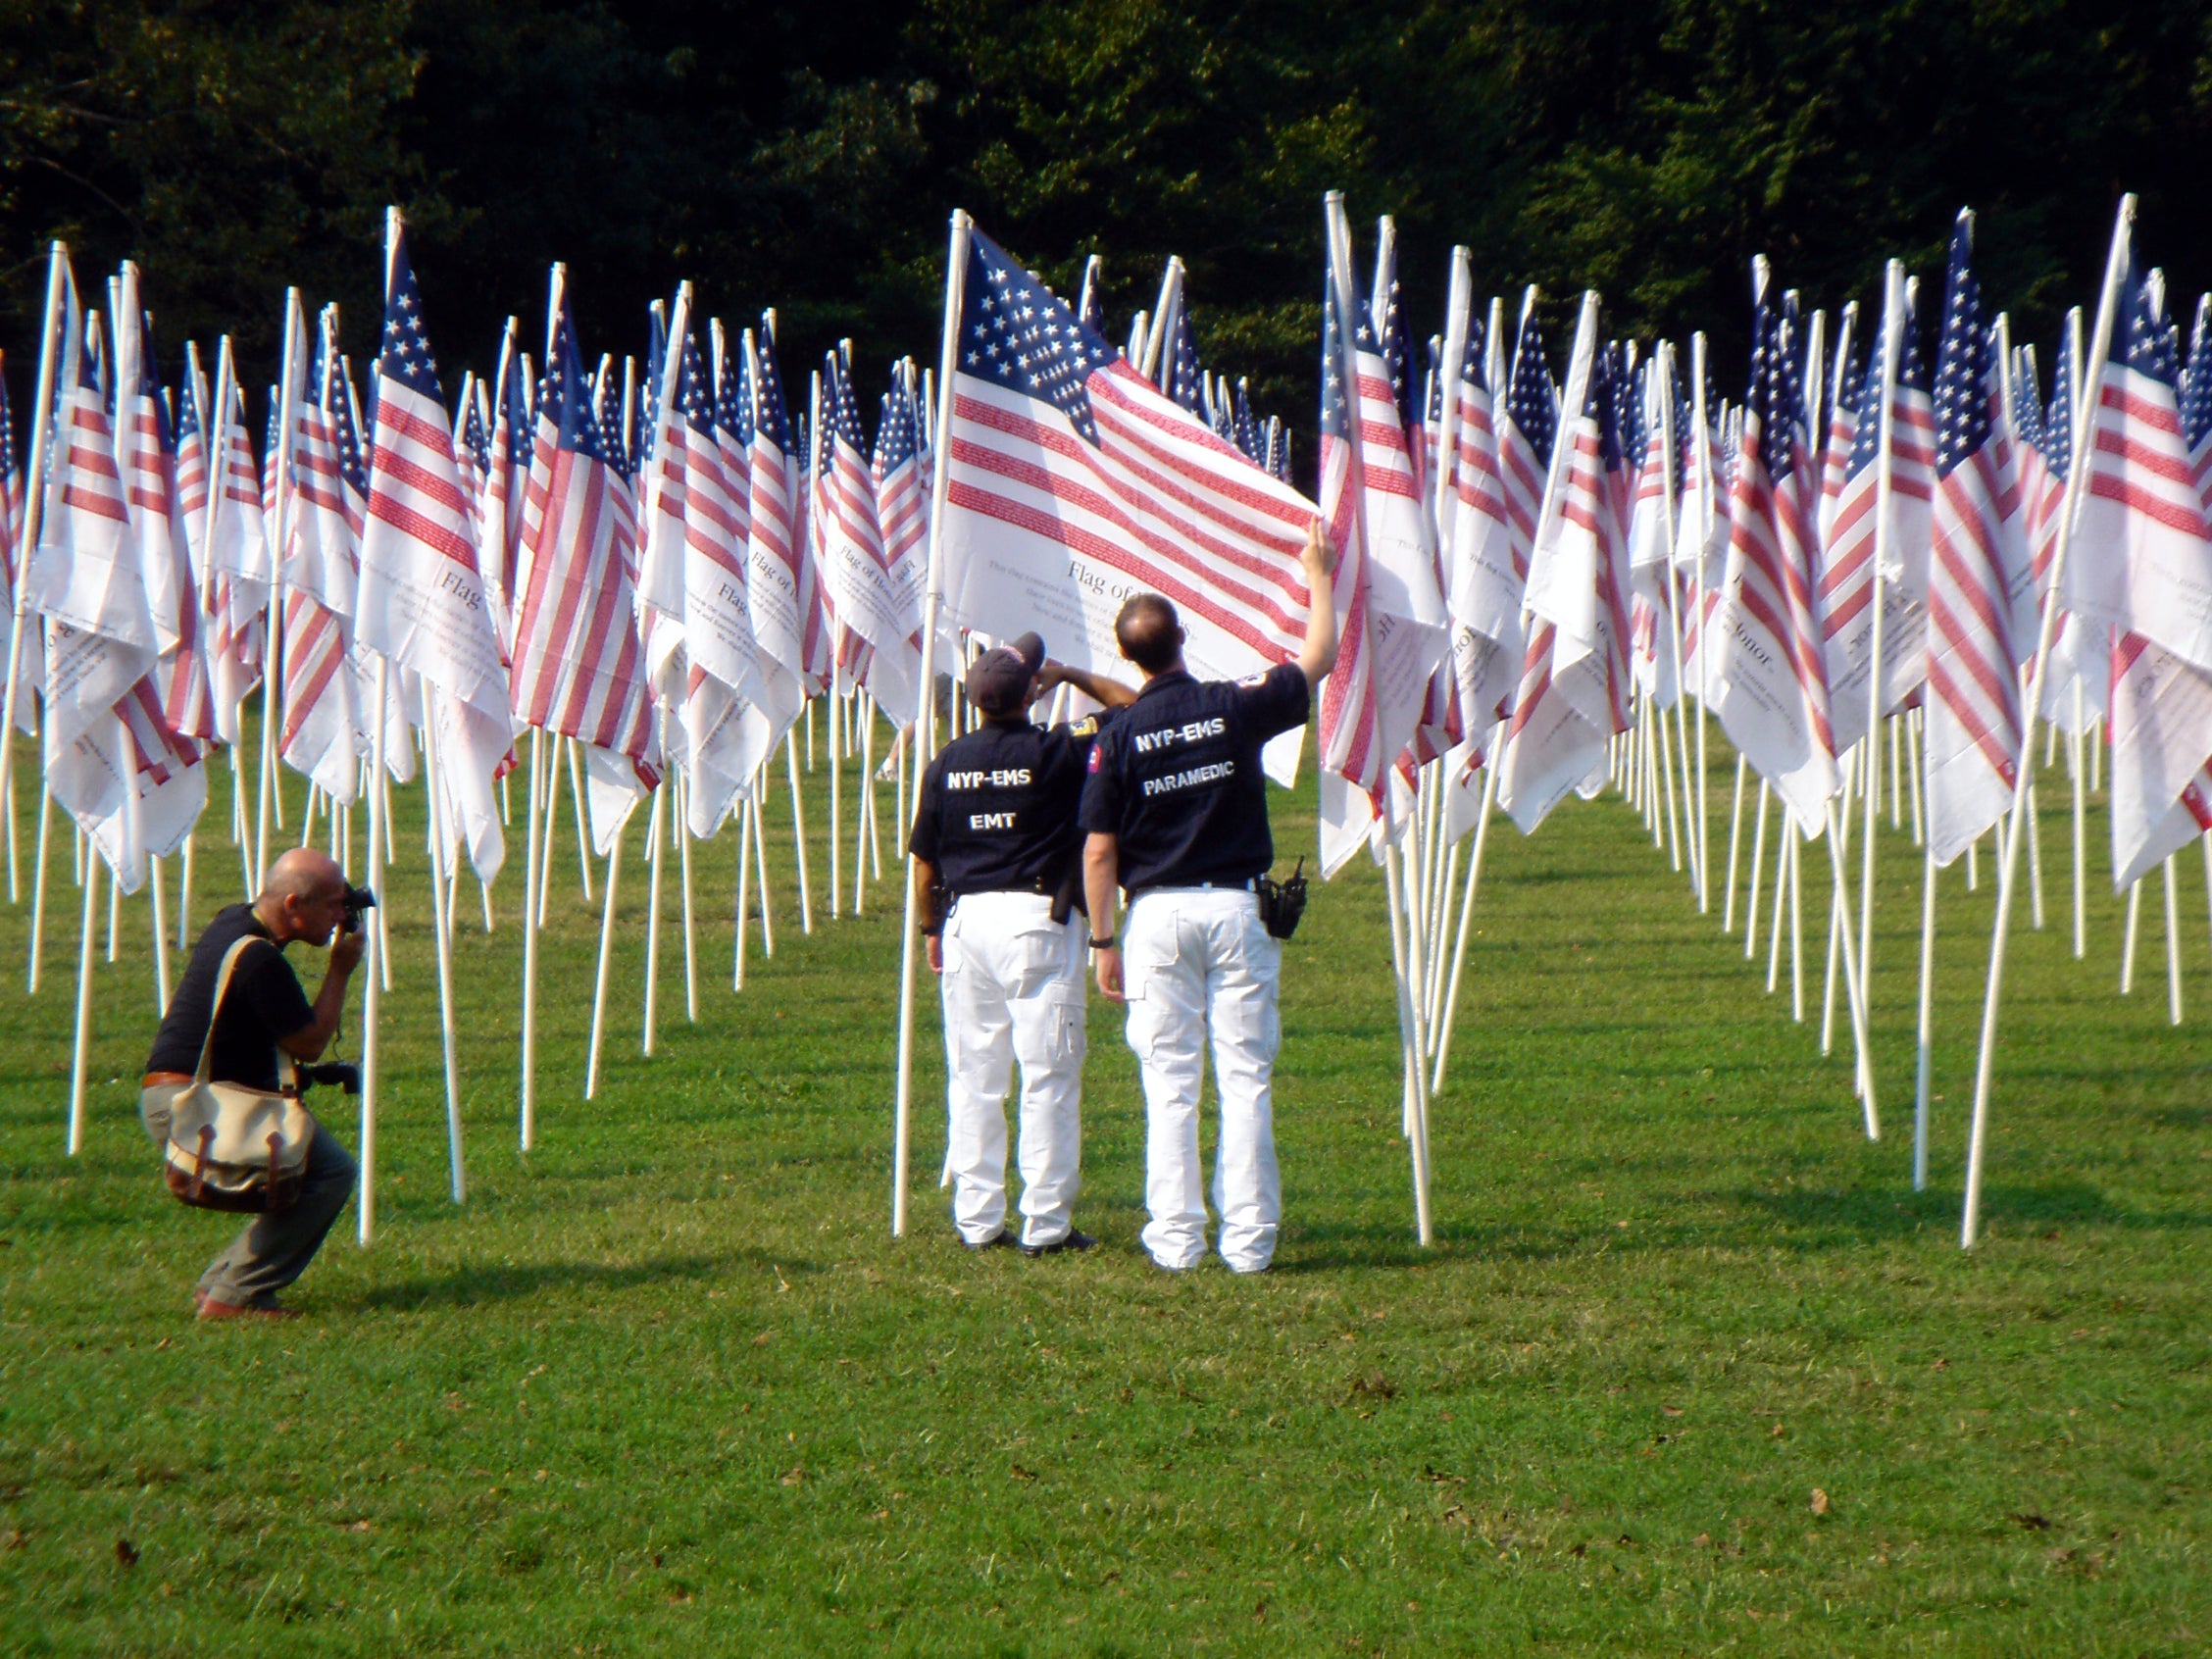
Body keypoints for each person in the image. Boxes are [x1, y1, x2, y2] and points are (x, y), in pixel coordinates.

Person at [1080, 521, 1338, 1275]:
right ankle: (1251, 1242)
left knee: (1169, 1084)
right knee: (1246, 1075)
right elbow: (1315, 659)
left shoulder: (1119, 734)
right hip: (1234, 907)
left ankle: (1176, 1239)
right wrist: (1316, 573)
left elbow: (1099, 849)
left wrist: (1101, 942)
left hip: (1155, 915)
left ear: (1125, 656)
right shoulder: (1232, 703)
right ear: (1185, 637)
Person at [908, 631, 1136, 1255]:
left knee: (974, 1079)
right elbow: (1133, 705)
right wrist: (1070, 675)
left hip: (966, 922)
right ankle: (1046, 1224)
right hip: (1036, 920)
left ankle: (977, 1221)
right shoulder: (1058, 748)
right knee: (1049, 1078)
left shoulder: (945, 761)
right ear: (1028, 693)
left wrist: (931, 930)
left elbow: (924, 865)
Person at [141, 848, 366, 1320]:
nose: (340, 918)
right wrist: (341, 969)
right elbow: (309, 1042)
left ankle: (222, 1287)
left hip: (184, 1095)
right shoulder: (259, 959)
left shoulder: (235, 921)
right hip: (194, 1104)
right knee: (331, 1173)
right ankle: (234, 1294)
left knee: (313, 1171)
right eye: (331, 906)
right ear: (292, 905)